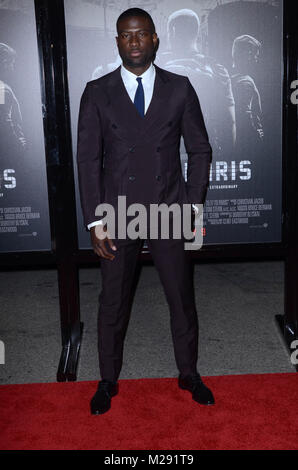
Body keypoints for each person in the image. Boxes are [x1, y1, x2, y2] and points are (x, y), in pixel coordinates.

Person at [76, 8, 214, 415]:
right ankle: (107, 379)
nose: (134, 42)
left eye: (141, 34)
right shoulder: (97, 91)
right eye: (125, 35)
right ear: (117, 41)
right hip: (117, 213)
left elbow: (201, 150)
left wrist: (191, 207)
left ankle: (188, 373)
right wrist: (95, 221)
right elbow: (88, 160)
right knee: (113, 301)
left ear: (155, 39)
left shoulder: (180, 88)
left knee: (181, 297)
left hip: (170, 211)